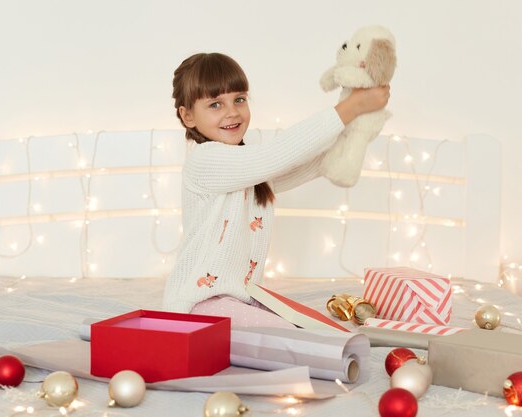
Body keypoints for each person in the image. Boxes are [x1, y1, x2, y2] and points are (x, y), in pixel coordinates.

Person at [162, 52, 390, 328]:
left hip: (237, 298)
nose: (232, 112)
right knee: (300, 338)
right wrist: (348, 110)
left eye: (239, 99)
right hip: (199, 305)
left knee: (321, 327)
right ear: (187, 116)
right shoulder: (204, 161)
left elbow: (311, 164)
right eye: (215, 104)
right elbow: (277, 155)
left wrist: (357, 127)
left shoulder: (246, 168)